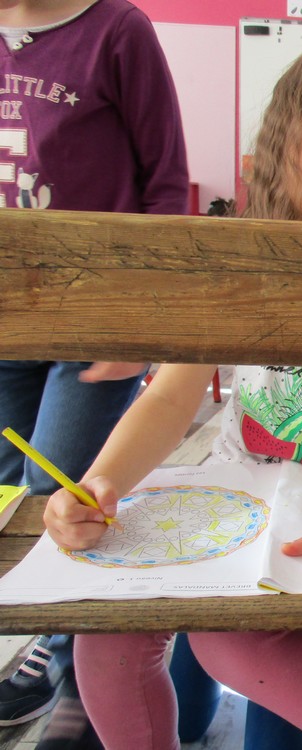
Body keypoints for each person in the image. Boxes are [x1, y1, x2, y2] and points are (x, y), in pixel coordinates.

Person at [42, 41, 302, 750]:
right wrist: (101, 482)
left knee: (228, 640)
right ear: (281, 147)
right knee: (106, 641)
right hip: (238, 504)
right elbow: (166, 402)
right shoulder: (240, 269)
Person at [0, 0, 189, 738]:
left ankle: (68, 666)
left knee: (67, 494)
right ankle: (46, 648)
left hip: (96, 316)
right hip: (10, 318)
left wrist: (147, 318)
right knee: (18, 496)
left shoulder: (116, 29)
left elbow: (167, 183)